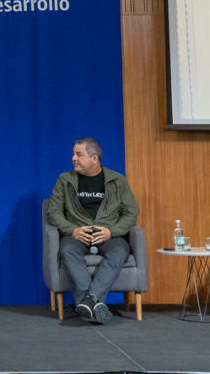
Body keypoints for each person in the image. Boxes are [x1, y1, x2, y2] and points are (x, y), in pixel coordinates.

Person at [46, 137, 139, 324]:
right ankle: (95, 304)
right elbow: (53, 212)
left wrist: (111, 231)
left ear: (94, 158)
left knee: (120, 250)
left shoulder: (117, 180)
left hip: (108, 234)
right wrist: (72, 230)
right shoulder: (65, 180)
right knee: (67, 250)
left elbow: (131, 212)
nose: (73, 158)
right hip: (77, 235)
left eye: (79, 155)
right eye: (73, 154)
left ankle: (88, 301)